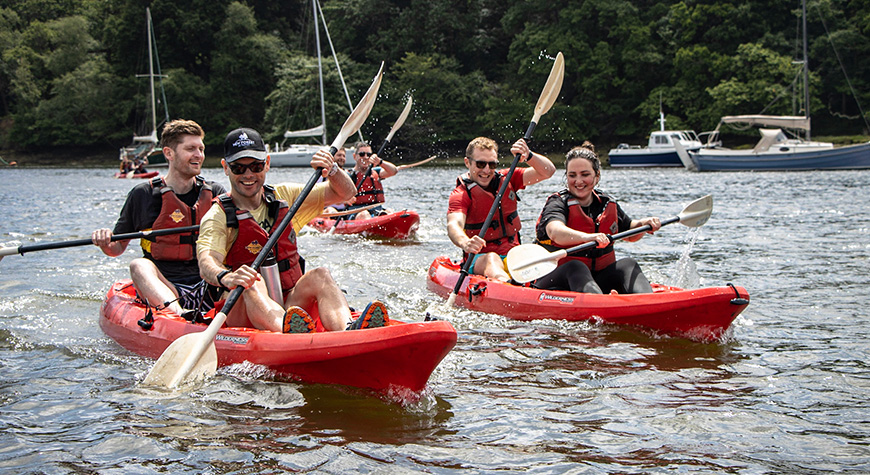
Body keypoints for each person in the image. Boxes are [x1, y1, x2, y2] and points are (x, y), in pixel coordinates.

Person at [196, 128, 389, 333]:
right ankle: (288, 331)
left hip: (288, 303)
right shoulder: (218, 216)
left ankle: (347, 330)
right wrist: (226, 277)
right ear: (226, 168)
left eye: (256, 165)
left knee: (320, 275)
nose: (248, 174)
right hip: (244, 310)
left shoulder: (284, 196)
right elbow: (206, 261)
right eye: (238, 168)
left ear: (267, 164)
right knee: (252, 281)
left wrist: (331, 169)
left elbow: (347, 193)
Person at [93, 119, 227, 317]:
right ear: (169, 153)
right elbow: (117, 248)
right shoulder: (143, 194)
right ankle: (180, 316)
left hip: (209, 282)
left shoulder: (215, 192)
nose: (198, 155)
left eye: (201, 148)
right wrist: (105, 240)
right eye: (190, 149)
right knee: (138, 265)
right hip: (166, 285)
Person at [532, 141, 661, 294]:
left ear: (597, 176)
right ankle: (600, 304)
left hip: (594, 281)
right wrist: (588, 237)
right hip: (557, 280)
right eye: (572, 175)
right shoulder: (558, 202)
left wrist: (643, 224)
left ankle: (647, 302)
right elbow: (555, 231)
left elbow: (630, 232)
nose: (578, 181)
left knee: (628, 264)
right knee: (576, 266)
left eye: (585, 175)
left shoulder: (607, 203)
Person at [447, 136, 556, 282]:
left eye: (492, 165)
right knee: (492, 258)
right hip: (481, 259)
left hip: (513, 254)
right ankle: (506, 284)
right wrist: (465, 242)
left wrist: (528, 155)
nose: (486, 170)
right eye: (480, 164)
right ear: (467, 162)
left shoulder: (508, 178)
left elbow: (548, 171)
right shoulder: (461, 194)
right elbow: (454, 225)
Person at [344, 141, 398, 220]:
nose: (365, 157)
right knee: (364, 214)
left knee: (389, 211)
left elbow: (394, 171)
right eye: (362, 154)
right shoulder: (348, 175)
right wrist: (345, 199)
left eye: (368, 155)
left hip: (376, 210)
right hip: (356, 212)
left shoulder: (376, 172)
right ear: (355, 156)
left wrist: (380, 162)